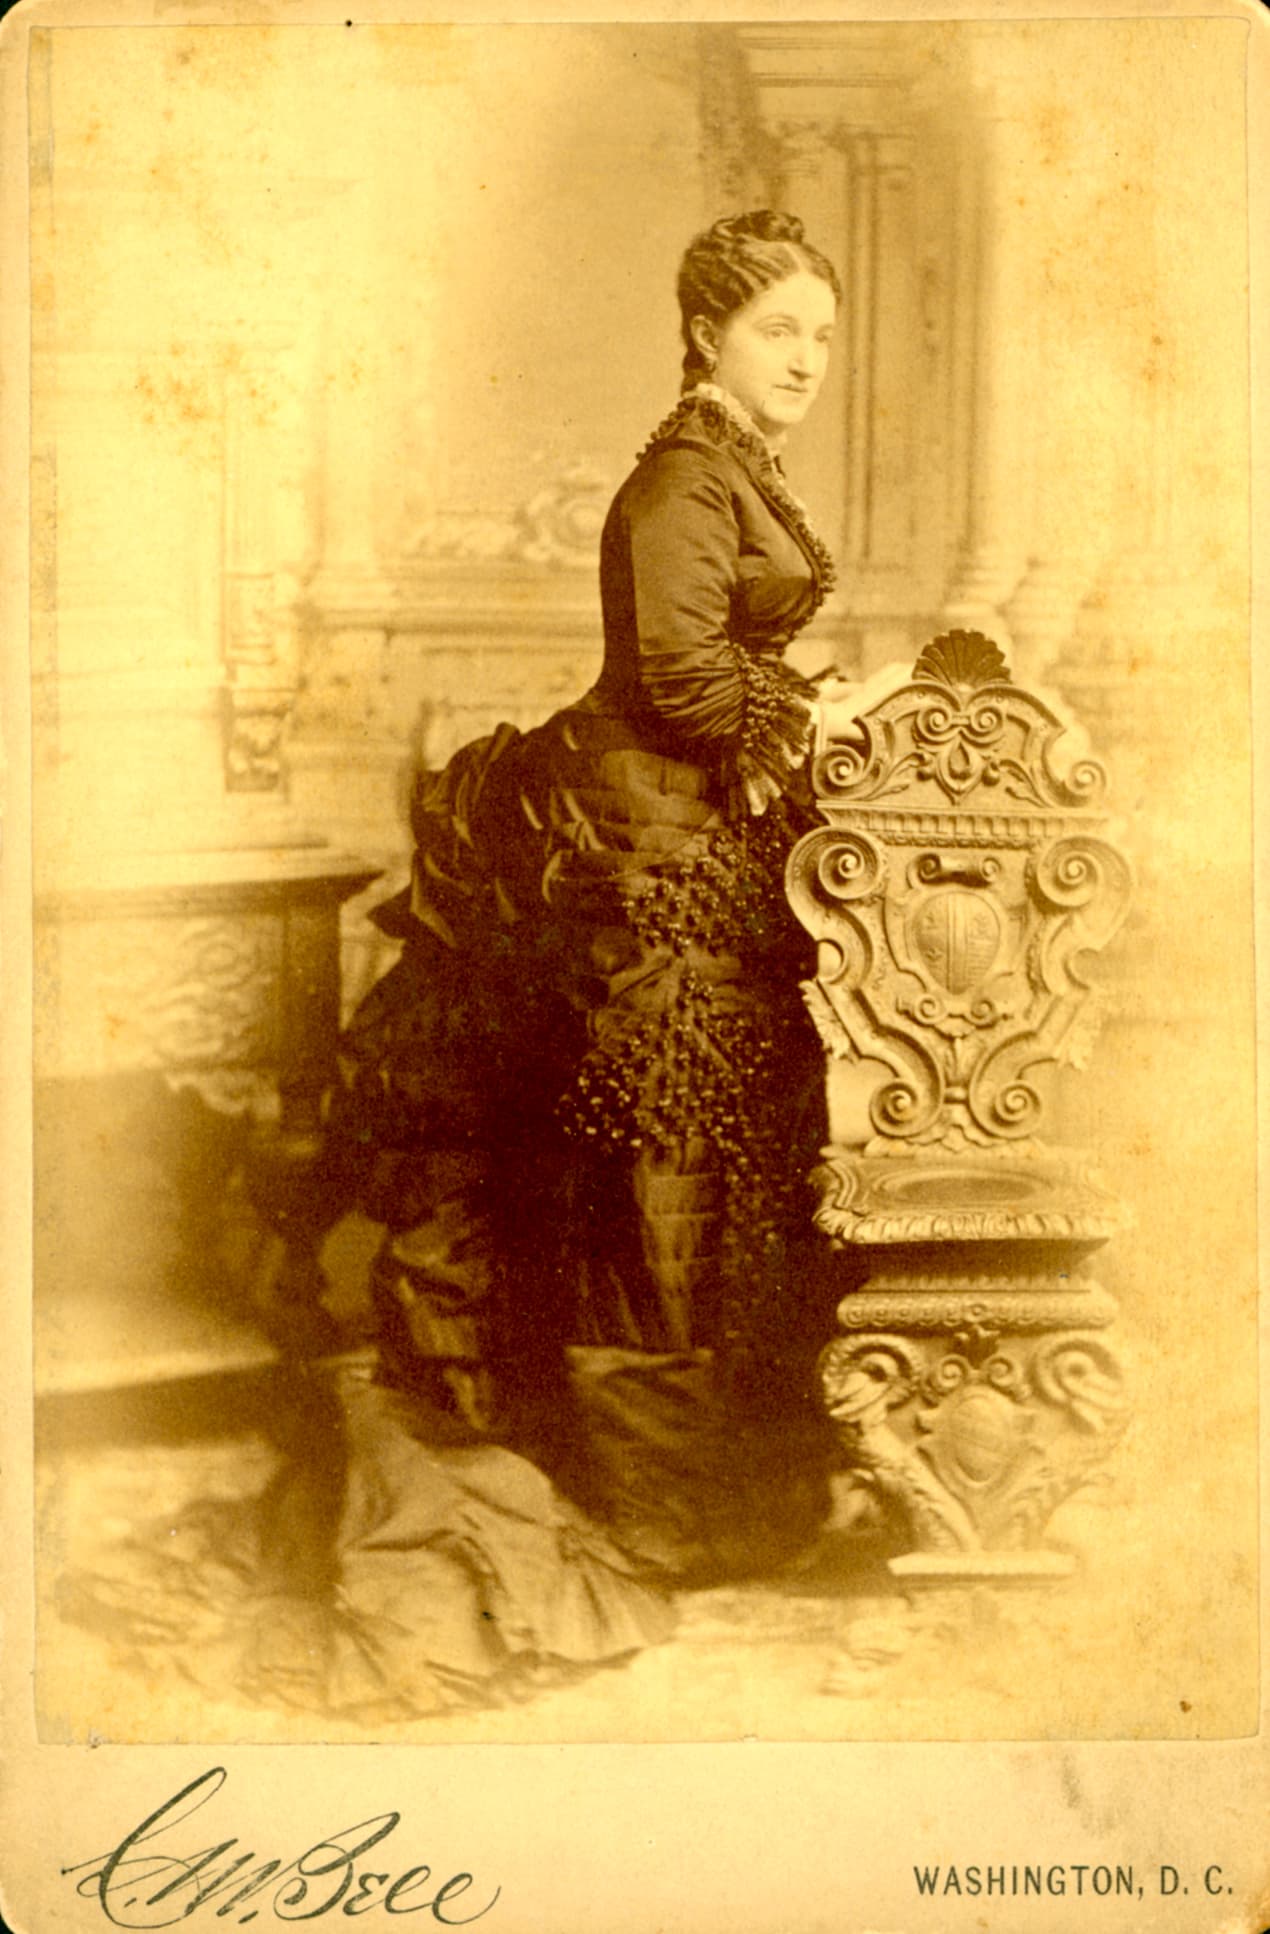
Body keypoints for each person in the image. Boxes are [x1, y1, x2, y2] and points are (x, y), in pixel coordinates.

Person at [64, 211, 846, 1723]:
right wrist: (808, 716)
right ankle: (648, 1496)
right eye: (779, 333)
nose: (805, 359)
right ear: (706, 336)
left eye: (820, 334)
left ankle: (705, 1482)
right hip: (642, 842)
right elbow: (678, 677)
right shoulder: (678, 480)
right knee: (650, 1160)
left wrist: (804, 706)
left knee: (695, 1159)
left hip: (695, 834)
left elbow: (720, 663)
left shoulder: (734, 465)